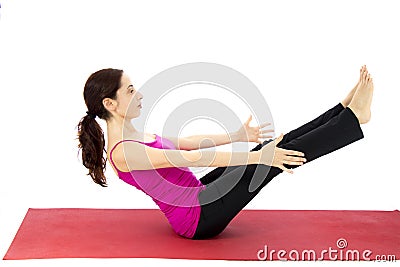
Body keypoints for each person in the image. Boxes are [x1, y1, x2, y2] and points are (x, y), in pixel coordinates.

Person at [76, 65, 374, 239]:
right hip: (197, 218)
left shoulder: (134, 136)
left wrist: (238, 136)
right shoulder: (124, 153)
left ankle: (342, 113)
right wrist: (257, 158)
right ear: (109, 104)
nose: (138, 94)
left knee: (269, 151)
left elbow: (189, 144)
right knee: (268, 159)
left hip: (200, 193)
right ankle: (352, 119)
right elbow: (193, 158)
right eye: (129, 91)